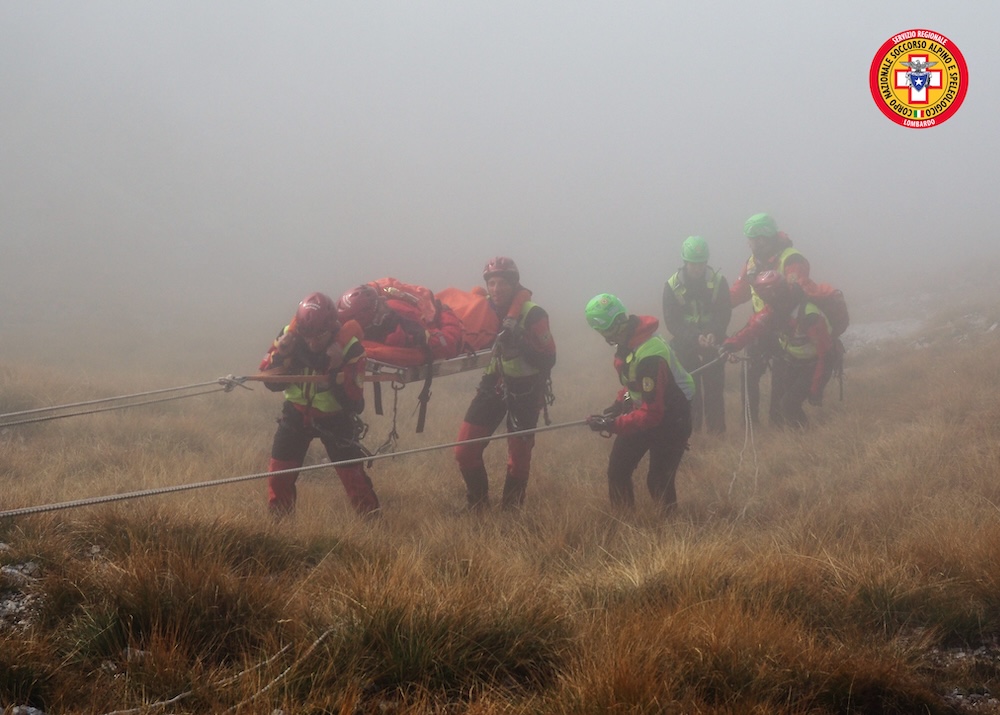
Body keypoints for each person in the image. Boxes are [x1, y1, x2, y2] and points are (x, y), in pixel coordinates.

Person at [258, 292, 380, 518]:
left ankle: (374, 527)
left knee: (353, 479)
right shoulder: (289, 337)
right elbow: (270, 383)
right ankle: (280, 530)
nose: (313, 342)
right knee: (279, 476)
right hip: (295, 415)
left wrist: (335, 368)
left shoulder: (351, 348)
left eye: (320, 336)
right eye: (307, 336)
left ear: (332, 327)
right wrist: (281, 355)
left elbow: (354, 403)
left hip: (336, 419)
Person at [454, 257, 556, 511]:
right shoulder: (484, 309)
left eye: (502, 283)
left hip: (527, 389)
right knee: (464, 450)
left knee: (519, 458)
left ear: (513, 284)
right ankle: (477, 505)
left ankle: (511, 513)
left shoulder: (533, 314)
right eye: (491, 283)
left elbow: (549, 358)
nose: (496, 289)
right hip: (494, 383)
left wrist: (520, 344)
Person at [585, 294, 693, 512]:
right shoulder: (631, 341)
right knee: (618, 471)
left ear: (604, 329)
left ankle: (671, 532)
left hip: (672, 421)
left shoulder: (650, 355)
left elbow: (652, 413)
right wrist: (620, 403)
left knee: (658, 481)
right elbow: (633, 384)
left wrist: (612, 425)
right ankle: (624, 524)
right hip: (646, 413)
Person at [729, 212, 816, 426]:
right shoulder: (751, 263)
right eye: (752, 239)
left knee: (780, 379)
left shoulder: (791, 259)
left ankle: (778, 426)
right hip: (761, 327)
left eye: (760, 238)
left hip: (786, 328)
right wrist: (715, 304)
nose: (755, 243)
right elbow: (739, 292)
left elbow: (791, 297)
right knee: (748, 375)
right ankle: (750, 426)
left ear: (770, 236)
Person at [721, 271, 833, 429]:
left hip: (814, 364)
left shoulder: (809, 316)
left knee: (789, 404)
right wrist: (730, 344)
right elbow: (753, 328)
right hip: (795, 361)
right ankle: (802, 436)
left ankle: (805, 439)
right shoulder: (775, 310)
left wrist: (816, 389)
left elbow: (825, 355)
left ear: (774, 294)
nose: (766, 300)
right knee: (785, 404)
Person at [662, 235, 732, 435]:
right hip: (685, 348)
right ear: (685, 262)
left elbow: (723, 313)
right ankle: (692, 435)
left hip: (714, 345)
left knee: (714, 393)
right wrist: (693, 337)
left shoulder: (719, 282)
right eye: (693, 264)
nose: (698, 268)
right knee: (689, 394)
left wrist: (713, 333)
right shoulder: (672, 285)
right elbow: (672, 321)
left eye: (701, 264)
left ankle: (717, 434)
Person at [336, 281, 463, 360]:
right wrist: (445, 312)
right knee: (476, 303)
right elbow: (447, 344)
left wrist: (442, 310)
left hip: (448, 310)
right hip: (454, 319)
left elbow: (445, 343)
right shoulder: (399, 331)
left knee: (471, 299)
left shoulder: (395, 325)